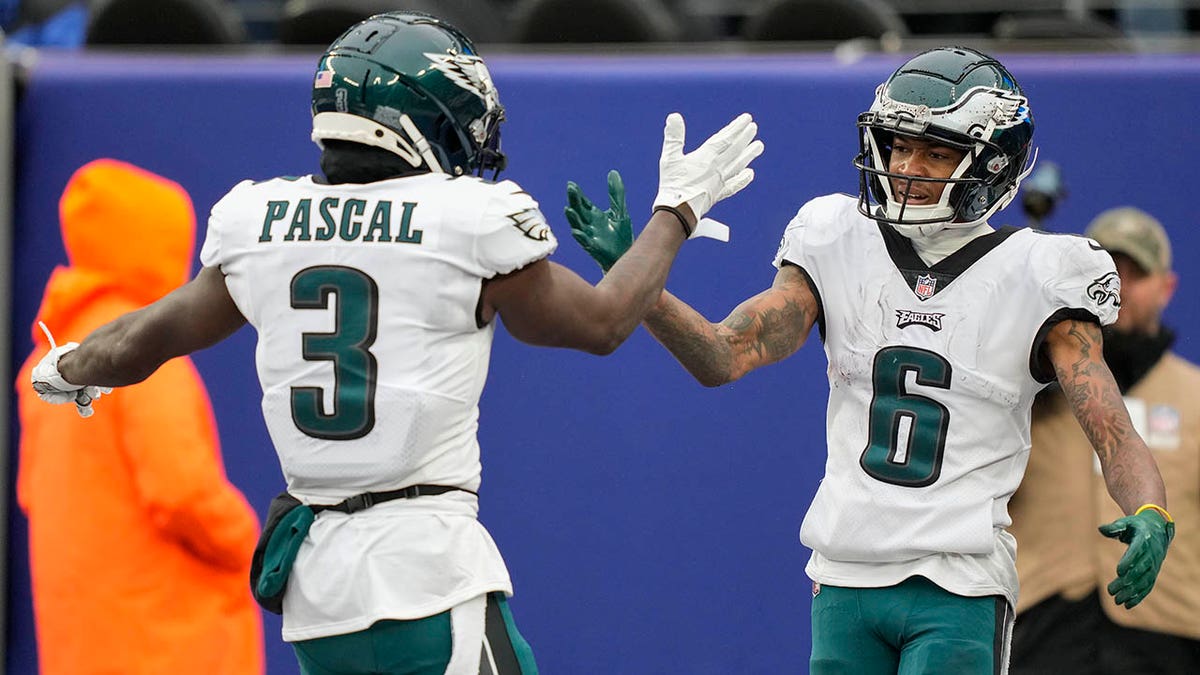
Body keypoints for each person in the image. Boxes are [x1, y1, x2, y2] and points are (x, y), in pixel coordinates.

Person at [27, 11, 762, 675]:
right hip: (426, 575)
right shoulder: (466, 218)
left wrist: (65, 365)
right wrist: (678, 210)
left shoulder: (258, 220)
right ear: (414, 117)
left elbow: (138, 341)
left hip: (316, 597)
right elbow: (603, 324)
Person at [565, 46, 1174, 674]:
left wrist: (1148, 510)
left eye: (937, 151)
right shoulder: (837, 236)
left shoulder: (1043, 271)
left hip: (958, 580)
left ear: (994, 164)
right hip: (844, 575)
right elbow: (726, 354)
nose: (907, 166)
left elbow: (1112, 430)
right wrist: (644, 289)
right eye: (898, 145)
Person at [15, 158, 264, 675]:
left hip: (81, 643)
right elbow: (181, 489)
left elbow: (29, 493)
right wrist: (247, 539)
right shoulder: (140, 355)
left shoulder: (53, 358)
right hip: (168, 645)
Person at [1009, 206, 1200, 674]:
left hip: (1172, 643)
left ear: (1167, 287)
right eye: (1109, 273)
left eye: (1137, 274)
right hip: (1042, 639)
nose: (1122, 288)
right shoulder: (1026, 390)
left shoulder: (1196, 397)